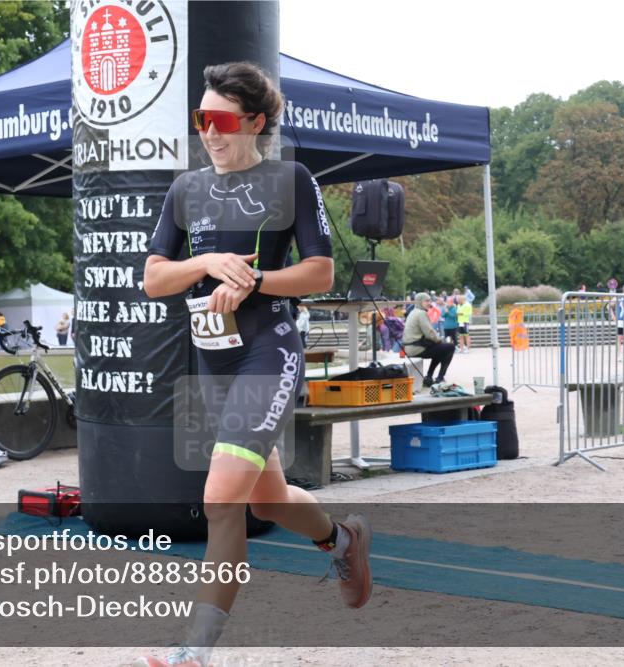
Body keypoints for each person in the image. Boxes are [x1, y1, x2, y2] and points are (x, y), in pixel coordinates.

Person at [137, 61, 371, 667]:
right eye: (200, 119)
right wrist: (209, 262)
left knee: (221, 500)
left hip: (268, 353)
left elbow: (320, 272)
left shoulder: (291, 179)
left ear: (256, 121)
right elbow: (154, 280)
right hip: (213, 362)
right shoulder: (185, 190)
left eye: (219, 121)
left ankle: (195, 650)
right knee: (266, 500)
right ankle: (342, 539)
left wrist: (259, 279)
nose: (208, 133)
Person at [403, 291, 455, 386]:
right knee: (450, 347)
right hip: (416, 348)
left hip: (411, 347)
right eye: (426, 301)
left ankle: (430, 377)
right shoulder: (421, 313)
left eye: (430, 301)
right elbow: (430, 333)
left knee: (440, 349)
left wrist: (438, 342)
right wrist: (440, 340)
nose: (429, 303)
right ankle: (439, 378)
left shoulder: (413, 312)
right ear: (419, 302)